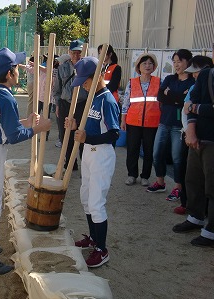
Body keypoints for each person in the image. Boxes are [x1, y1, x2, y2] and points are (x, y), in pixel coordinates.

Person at [0, 47, 51, 275]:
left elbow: (6, 126)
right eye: (16, 67)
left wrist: (26, 122)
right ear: (9, 74)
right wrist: (37, 128)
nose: (19, 71)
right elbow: (13, 136)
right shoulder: (6, 97)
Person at [68, 56, 120, 268]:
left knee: (97, 203)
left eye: (85, 81)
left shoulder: (107, 99)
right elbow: (89, 126)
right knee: (86, 198)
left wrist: (87, 138)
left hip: (102, 154)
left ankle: (102, 249)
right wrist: (75, 127)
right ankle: (93, 238)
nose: (83, 86)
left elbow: (114, 133)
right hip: (89, 152)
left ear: (97, 77)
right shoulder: (92, 97)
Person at [172, 66, 214, 248]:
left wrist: (195, 108)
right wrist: (190, 129)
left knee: (212, 186)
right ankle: (195, 217)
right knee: (193, 180)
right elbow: (190, 103)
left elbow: (192, 105)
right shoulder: (207, 73)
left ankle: (211, 230)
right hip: (197, 138)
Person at [146, 49, 194, 202]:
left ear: (188, 62)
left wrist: (171, 95)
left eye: (179, 61)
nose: (176, 65)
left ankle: (179, 188)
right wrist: (176, 97)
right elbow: (160, 96)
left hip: (179, 126)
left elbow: (184, 100)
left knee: (177, 158)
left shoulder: (192, 82)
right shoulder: (169, 79)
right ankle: (160, 182)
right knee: (157, 153)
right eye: (174, 61)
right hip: (164, 122)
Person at [121, 53, 161, 187]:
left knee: (149, 150)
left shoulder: (158, 82)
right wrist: (123, 120)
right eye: (144, 63)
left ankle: (145, 176)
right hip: (133, 122)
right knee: (132, 149)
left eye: (150, 63)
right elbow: (126, 103)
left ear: (154, 66)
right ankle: (132, 175)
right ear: (139, 66)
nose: (147, 66)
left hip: (152, 122)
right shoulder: (132, 82)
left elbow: (162, 103)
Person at [53, 40, 88, 170]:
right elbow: (57, 89)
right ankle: (70, 163)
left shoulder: (87, 68)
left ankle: (85, 164)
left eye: (79, 53)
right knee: (65, 135)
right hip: (65, 104)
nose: (76, 56)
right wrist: (57, 105)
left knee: (81, 133)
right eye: (73, 53)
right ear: (69, 53)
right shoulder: (62, 68)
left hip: (82, 104)